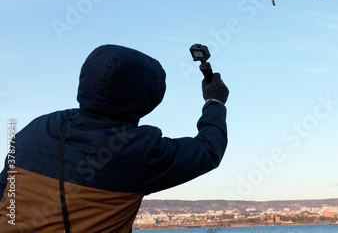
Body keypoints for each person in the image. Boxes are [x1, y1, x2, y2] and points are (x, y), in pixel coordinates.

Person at [0, 44, 229, 232]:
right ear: (148, 97)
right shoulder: (140, 149)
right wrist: (214, 102)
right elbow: (209, 150)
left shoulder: (36, 128)